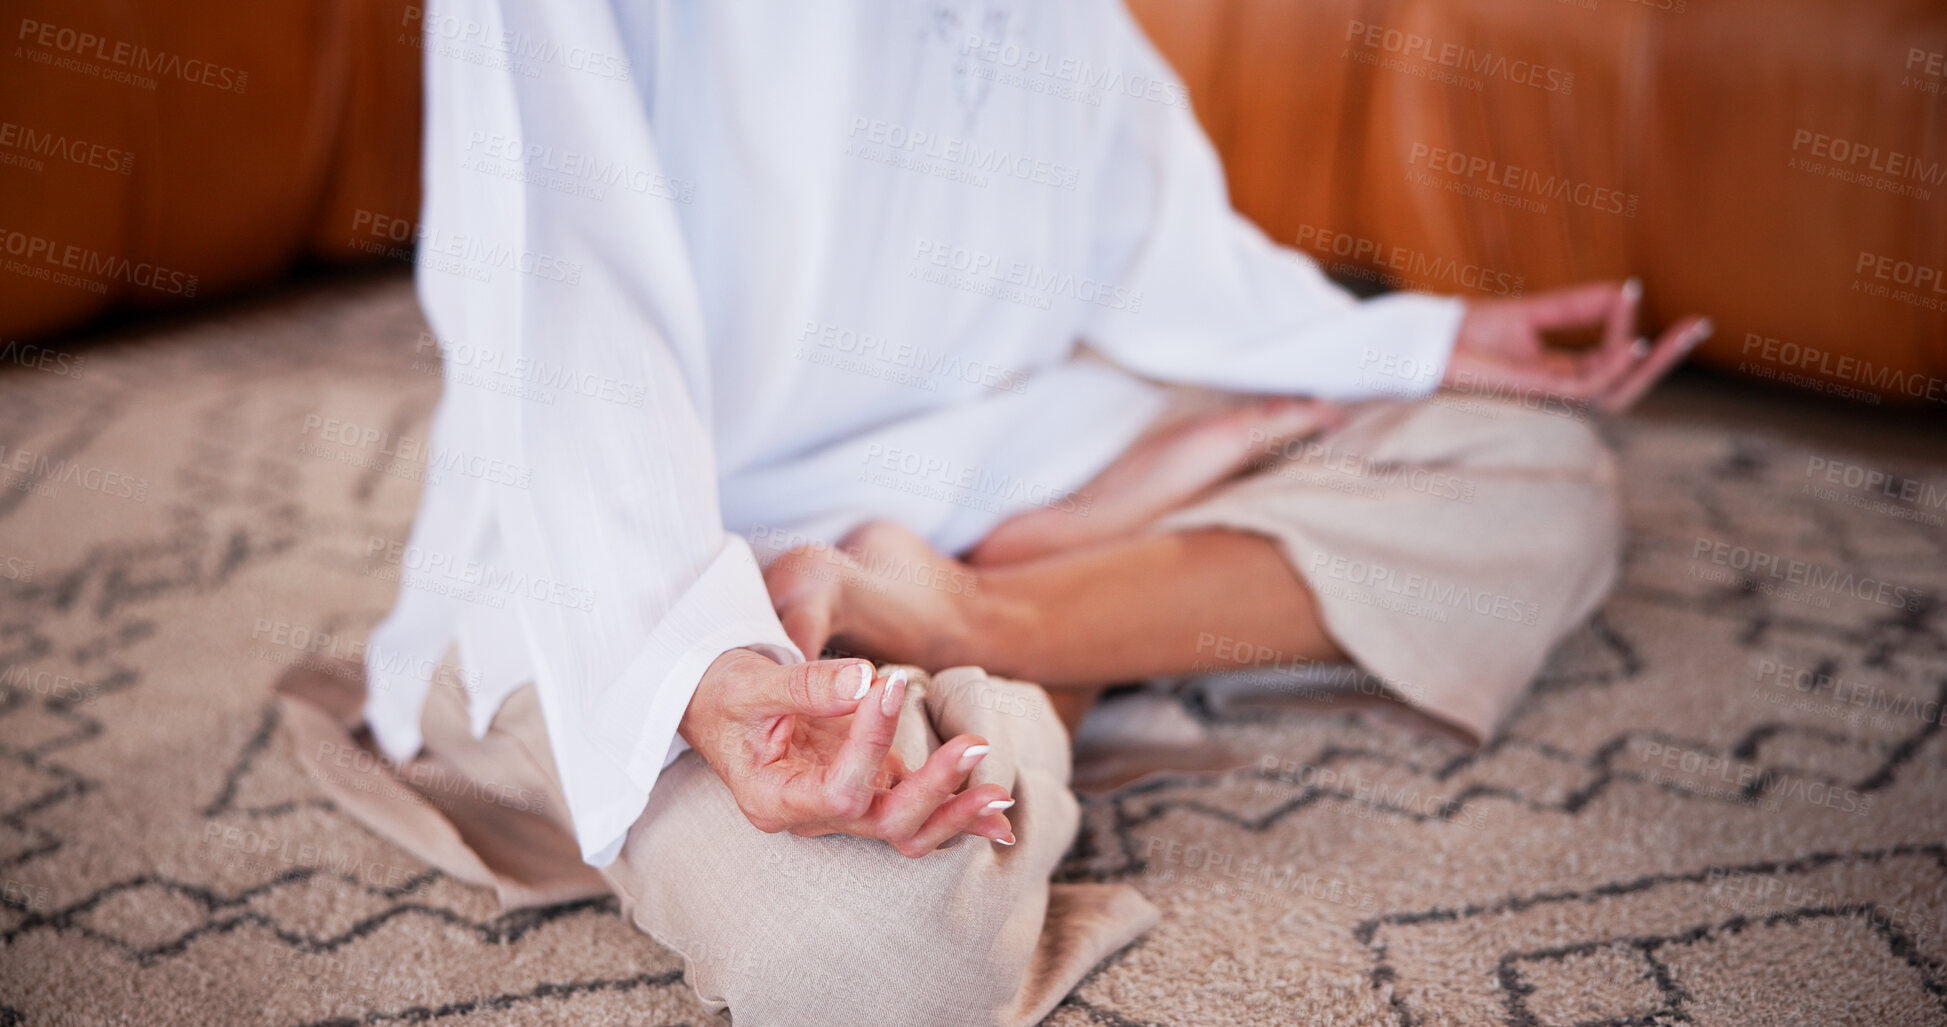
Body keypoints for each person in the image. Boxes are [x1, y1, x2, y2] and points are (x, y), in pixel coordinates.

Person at [279, 1, 1708, 1024]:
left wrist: (1419, 348)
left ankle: (977, 612)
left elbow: (1149, 246)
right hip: (648, 556)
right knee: (865, 963)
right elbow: (565, 318)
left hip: (1010, 458)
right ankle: (1061, 631)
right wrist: (709, 671)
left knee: (1539, 474)